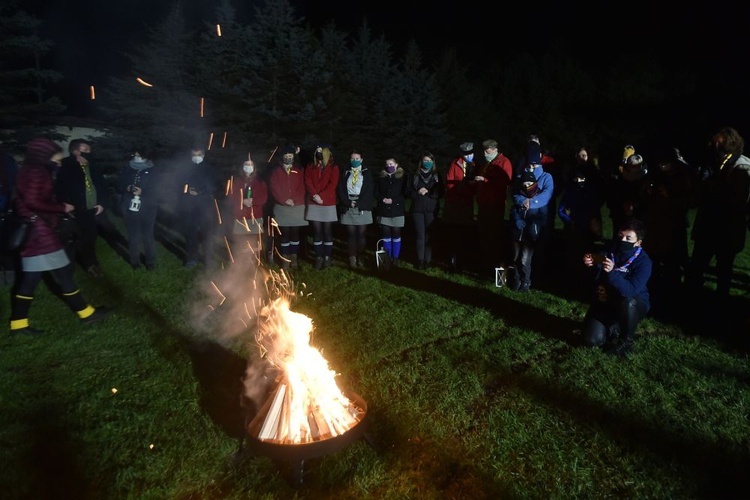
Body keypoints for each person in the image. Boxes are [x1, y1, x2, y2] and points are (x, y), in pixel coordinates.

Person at [8, 137, 111, 335]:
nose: (57, 159)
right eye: (55, 155)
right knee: (62, 274)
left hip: (38, 234)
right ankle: (87, 314)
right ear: (43, 154)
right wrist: (61, 207)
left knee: (32, 280)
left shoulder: (34, 170)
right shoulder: (35, 171)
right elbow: (32, 201)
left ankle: (18, 324)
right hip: (40, 235)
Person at [685, 127, 750, 299]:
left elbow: (736, 200)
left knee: (723, 270)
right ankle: (692, 298)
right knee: (696, 266)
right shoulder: (715, 163)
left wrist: (709, 185)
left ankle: (719, 306)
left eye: (717, 142)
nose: (711, 144)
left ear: (729, 142)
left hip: (727, 230)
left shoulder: (741, 165)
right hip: (708, 226)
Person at [581, 218, 652, 357]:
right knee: (591, 340)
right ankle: (612, 327)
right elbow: (595, 279)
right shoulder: (610, 250)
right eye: (621, 236)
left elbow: (629, 291)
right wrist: (591, 264)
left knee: (628, 302)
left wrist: (612, 273)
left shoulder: (644, 262)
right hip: (606, 300)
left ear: (638, 242)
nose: (623, 240)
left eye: (628, 238)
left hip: (633, 304)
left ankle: (626, 342)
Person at [55, 138, 108, 278]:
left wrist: (101, 202)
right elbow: (59, 187)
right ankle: (67, 269)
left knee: (90, 237)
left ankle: (91, 265)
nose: (88, 153)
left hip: (90, 208)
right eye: (85, 150)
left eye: (89, 150)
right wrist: (64, 203)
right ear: (74, 151)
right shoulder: (66, 165)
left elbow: (101, 184)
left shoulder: (92, 165)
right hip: (73, 209)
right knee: (70, 240)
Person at [507, 161, 554, 292]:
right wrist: (516, 219)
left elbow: (542, 218)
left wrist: (533, 225)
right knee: (516, 258)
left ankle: (526, 282)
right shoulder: (520, 197)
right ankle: (516, 281)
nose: (527, 186)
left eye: (529, 184)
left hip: (530, 235)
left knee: (524, 260)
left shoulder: (539, 202)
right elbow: (514, 210)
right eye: (525, 184)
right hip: (518, 233)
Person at [178, 146, 221, 269]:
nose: (196, 157)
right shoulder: (186, 169)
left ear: (203, 155)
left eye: (198, 154)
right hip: (189, 206)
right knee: (191, 233)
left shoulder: (209, 169)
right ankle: (192, 258)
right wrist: (187, 191)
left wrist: (200, 192)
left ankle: (208, 259)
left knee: (207, 233)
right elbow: (181, 185)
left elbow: (214, 185)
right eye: (194, 155)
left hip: (205, 205)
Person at [116, 150, 160, 270]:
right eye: (134, 155)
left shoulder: (153, 170)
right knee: (133, 235)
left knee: (148, 235)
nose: (136, 158)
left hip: (148, 206)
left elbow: (157, 189)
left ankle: (150, 262)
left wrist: (143, 192)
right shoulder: (127, 168)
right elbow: (119, 185)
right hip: (130, 206)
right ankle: (135, 262)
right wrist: (128, 187)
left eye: (139, 155)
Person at [474, 139, 513, 275]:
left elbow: (504, 182)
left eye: (487, 151)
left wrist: (484, 181)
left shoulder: (504, 162)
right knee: (484, 236)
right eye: (484, 151)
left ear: (494, 149)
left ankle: (495, 267)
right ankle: (485, 265)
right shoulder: (487, 163)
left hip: (495, 205)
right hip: (484, 204)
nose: (485, 153)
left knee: (494, 236)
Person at [268, 145, 307, 270]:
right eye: (286, 156)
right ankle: (285, 258)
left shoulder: (299, 170)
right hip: (282, 206)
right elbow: (274, 187)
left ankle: (293, 256)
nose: (289, 158)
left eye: (291, 156)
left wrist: (294, 199)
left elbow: (302, 186)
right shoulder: (276, 171)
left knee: (295, 233)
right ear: (282, 157)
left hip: (297, 205)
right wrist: (284, 200)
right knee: (285, 233)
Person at [442, 142, 478, 273]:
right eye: (466, 154)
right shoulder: (454, 164)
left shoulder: (475, 165)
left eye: (470, 154)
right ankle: (452, 262)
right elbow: (450, 184)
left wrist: (470, 188)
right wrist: (460, 189)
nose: (468, 156)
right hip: (455, 204)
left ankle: (463, 262)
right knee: (454, 234)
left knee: (465, 235)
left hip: (466, 204)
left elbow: (476, 186)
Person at [337, 150, 374, 269]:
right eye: (352, 159)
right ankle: (352, 258)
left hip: (362, 205)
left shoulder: (366, 172)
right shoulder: (346, 171)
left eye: (357, 159)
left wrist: (358, 203)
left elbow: (369, 190)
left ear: (362, 160)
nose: (354, 161)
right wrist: (348, 202)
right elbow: (340, 188)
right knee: (351, 234)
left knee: (361, 234)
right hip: (349, 204)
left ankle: (361, 258)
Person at [304, 144, 339, 270]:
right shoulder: (311, 166)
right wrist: (314, 195)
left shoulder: (333, 167)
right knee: (317, 231)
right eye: (316, 151)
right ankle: (318, 257)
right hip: (314, 202)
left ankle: (327, 257)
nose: (318, 154)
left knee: (327, 231)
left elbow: (333, 183)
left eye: (320, 151)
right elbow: (307, 180)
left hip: (327, 202)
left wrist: (322, 196)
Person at [229, 156, 269, 265]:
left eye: (251, 165)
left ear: (254, 167)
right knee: (242, 241)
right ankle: (242, 262)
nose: (248, 167)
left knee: (254, 240)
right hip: (241, 216)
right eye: (246, 165)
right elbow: (231, 196)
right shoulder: (236, 181)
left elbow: (264, 197)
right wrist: (242, 201)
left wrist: (253, 201)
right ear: (242, 167)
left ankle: (255, 261)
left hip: (255, 216)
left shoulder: (260, 181)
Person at [407, 152, 443, 270]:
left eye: (429, 161)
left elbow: (441, 192)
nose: (427, 163)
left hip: (431, 209)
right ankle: (420, 260)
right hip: (417, 209)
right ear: (421, 162)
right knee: (420, 235)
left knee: (429, 236)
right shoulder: (414, 175)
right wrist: (417, 192)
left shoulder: (437, 176)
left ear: (433, 162)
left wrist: (430, 192)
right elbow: (407, 191)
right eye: (425, 161)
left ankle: (428, 260)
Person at [373, 156, 407, 270]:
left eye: (391, 164)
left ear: (396, 165)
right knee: (386, 235)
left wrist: (394, 200)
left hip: (397, 210)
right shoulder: (381, 178)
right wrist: (382, 199)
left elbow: (405, 193)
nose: (389, 166)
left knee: (396, 235)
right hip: (384, 210)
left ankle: (395, 258)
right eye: (387, 165)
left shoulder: (403, 177)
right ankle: (386, 260)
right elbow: (376, 192)